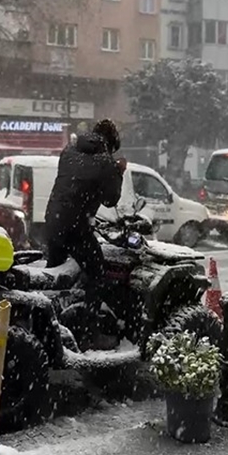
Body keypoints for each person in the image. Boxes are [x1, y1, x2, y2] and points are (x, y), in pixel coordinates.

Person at [43, 119, 128, 349]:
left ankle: (48, 323)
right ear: (111, 144)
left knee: (54, 276)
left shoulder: (69, 151)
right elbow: (111, 200)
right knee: (97, 274)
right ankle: (89, 333)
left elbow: (74, 184)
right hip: (75, 226)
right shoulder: (105, 162)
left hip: (52, 220)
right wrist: (118, 171)